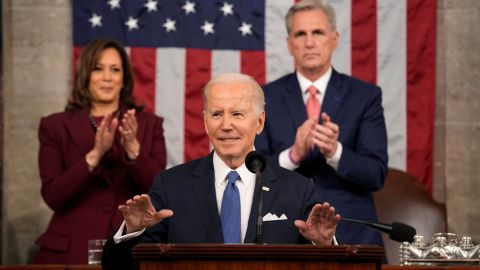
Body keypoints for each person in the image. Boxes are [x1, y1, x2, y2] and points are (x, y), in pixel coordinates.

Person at [101, 73, 340, 270]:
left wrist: (324, 246)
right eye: (216, 114)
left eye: (237, 114)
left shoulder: (298, 190)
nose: (226, 125)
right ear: (205, 123)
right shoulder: (170, 186)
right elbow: (125, 268)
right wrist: (132, 232)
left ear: (259, 122)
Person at [254, 0, 388, 247]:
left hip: (351, 235)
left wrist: (335, 151)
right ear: (289, 44)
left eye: (318, 32)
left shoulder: (365, 96)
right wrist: (293, 156)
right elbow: (250, 172)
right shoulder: (264, 98)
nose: (310, 42)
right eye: (300, 34)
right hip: (283, 234)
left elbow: (376, 175)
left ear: (334, 39)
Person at [34, 38, 167, 264]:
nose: (107, 77)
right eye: (98, 69)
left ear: (124, 78)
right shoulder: (54, 126)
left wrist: (134, 150)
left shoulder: (149, 124)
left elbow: (158, 193)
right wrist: (94, 155)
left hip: (131, 248)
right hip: (70, 250)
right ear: (85, 75)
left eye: (115, 69)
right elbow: (53, 196)